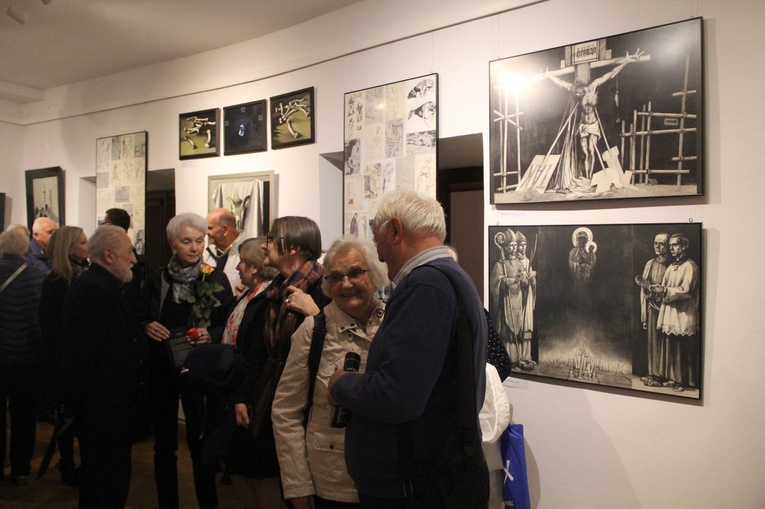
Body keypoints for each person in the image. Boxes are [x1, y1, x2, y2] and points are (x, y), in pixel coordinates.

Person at [328, 189, 487, 507]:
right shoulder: (452, 278)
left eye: (377, 240)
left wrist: (342, 384)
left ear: (396, 230)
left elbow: (397, 397)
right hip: (430, 473)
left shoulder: (424, 286)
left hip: (411, 484)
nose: (380, 254)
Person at [273, 238, 388, 509]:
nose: (345, 284)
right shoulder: (314, 331)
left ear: (375, 274)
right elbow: (286, 412)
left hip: (387, 477)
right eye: (335, 277)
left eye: (355, 273)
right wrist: (297, 484)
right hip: (331, 482)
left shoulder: (395, 324)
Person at [141, 213, 234, 509]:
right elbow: (140, 316)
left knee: (200, 445)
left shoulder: (215, 278)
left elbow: (229, 324)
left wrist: (213, 334)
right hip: (162, 371)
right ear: (172, 243)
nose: (195, 248)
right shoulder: (157, 279)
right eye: (186, 241)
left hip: (200, 372)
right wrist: (146, 325)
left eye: (199, 240)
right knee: (164, 445)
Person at [59, 225, 148, 507]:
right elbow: (82, 355)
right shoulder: (93, 289)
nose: (134, 258)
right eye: (129, 252)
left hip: (110, 409)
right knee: (103, 485)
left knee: (110, 482)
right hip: (102, 411)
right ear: (109, 255)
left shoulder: (103, 285)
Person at [217, 237, 282, 507]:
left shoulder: (266, 299)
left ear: (254, 267)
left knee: (259, 470)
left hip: (253, 396)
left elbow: (257, 353)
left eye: (242, 261)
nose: (238, 267)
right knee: (240, 467)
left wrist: (243, 395)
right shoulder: (250, 294)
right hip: (239, 391)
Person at [39, 225, 90, 486]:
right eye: (82, 242)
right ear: (69, 248)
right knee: (67, 417)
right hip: (64, 360)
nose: (87, 244)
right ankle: (68, 464)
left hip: (79, 359)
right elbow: (53, 328)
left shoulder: (84, 274)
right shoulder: (57, 281)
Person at [543, 50, 643, 179]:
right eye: (577, 94)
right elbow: (561, 83)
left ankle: (590, 176)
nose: (578, 96)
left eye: (579, 94)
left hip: (593, 125)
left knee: (592, 151)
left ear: (584, 90)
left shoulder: (592, 87)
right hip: (583, 126)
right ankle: (587, 177)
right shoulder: (575, 89)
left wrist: (625, 62)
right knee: (584, 153)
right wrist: (549, 76)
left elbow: (610, 75)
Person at [0, 228, 46, 485]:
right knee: (24, 417)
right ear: (24, 249)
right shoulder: (36, 276)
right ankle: (20, 467)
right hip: (27, 357)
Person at [652, 233, 700, 392]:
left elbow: (686, 291)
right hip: (670, 313)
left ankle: (684, 382)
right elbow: (664, 286)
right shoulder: (671, 267)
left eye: (675, 245)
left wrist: (664, 289)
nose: (671, 248)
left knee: (682, 348)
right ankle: (674, 378)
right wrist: (657, 289)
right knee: (671, 345)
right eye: (670, 245)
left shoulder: (690, 266)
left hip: (683, 314)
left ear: (684, 247)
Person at [634, 233, 670, 387]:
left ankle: (663, 376)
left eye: (661, 244)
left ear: (668, 246)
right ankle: (652, 373)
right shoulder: (650, 263)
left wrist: (651, 288)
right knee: (652, 341)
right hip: (651, 308)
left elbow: (667, 288)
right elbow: (646, 287)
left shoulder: (671, 265)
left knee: (665, 342)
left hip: (666, 309)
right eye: (655, 243)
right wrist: (646, 287)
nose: (657, 246)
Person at [490, 229, 524, 365]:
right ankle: (508, 358)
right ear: (505, 247)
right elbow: (496, 282)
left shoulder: (518, 263)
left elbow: (523, 277)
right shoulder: (500, 264)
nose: (514, 248)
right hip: (506, 300)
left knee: (517, 326)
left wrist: (526, 279)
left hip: (517, 299)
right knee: (506, 329)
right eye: (511, 245)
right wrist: (507, 281)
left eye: (515, 245)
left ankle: (518, 358)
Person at [204, 208, 247, 296]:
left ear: (225, 229)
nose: (206, 232)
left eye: (210, 228)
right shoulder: (206, 254)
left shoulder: (248, 253)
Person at [516, 231, 537, 371]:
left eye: (525, 245)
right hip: (517, 298)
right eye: (520, 245)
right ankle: (518, 357)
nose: (523, 248)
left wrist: (532, 279)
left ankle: (527, 356)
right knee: (518, 327)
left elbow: (532, 283)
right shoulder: (512, 261)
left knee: (527, 326)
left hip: (527, 297)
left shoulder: (528, 261)